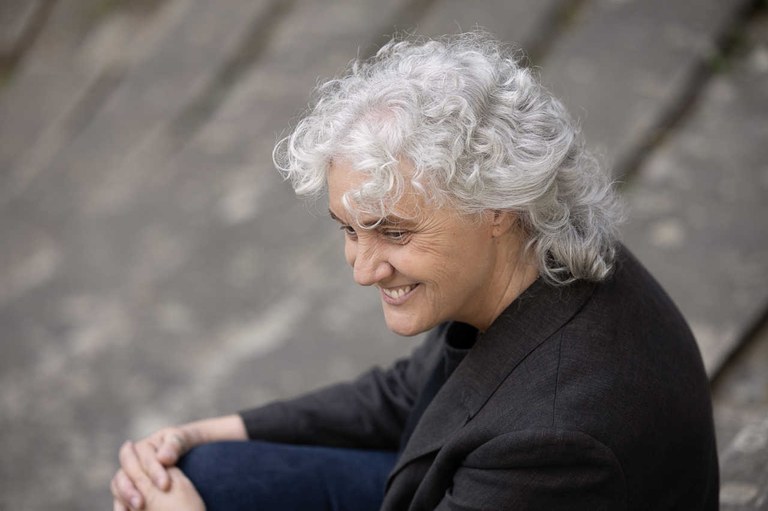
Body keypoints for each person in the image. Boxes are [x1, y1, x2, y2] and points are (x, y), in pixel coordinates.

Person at [111, 32, 719, 510]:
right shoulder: (538, 252)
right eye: (349, 229)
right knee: (201, 471)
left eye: (394, 232)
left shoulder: (554, 441)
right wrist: (204, 432)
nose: (363, 270)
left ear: (497, 207)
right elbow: (412, 392)